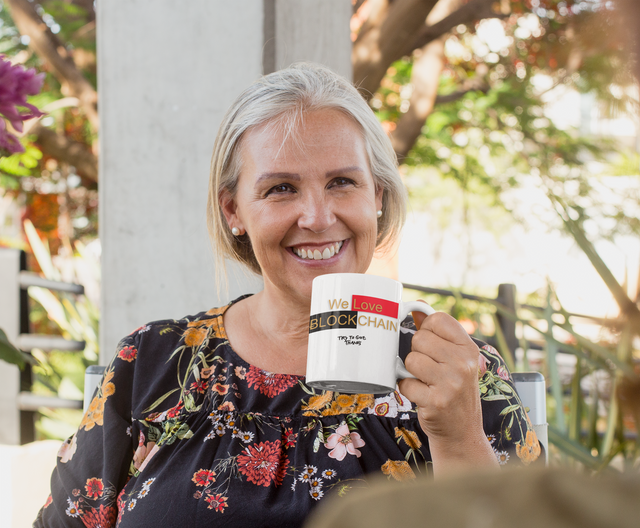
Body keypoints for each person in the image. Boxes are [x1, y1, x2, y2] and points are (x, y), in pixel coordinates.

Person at [34, 63, 540, 528]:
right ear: (234, 210)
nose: (318, 217)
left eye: (343, 182)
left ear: (377, 198)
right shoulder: (154, 363)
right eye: (281, 189)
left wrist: (459, 438)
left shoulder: (459, 378)